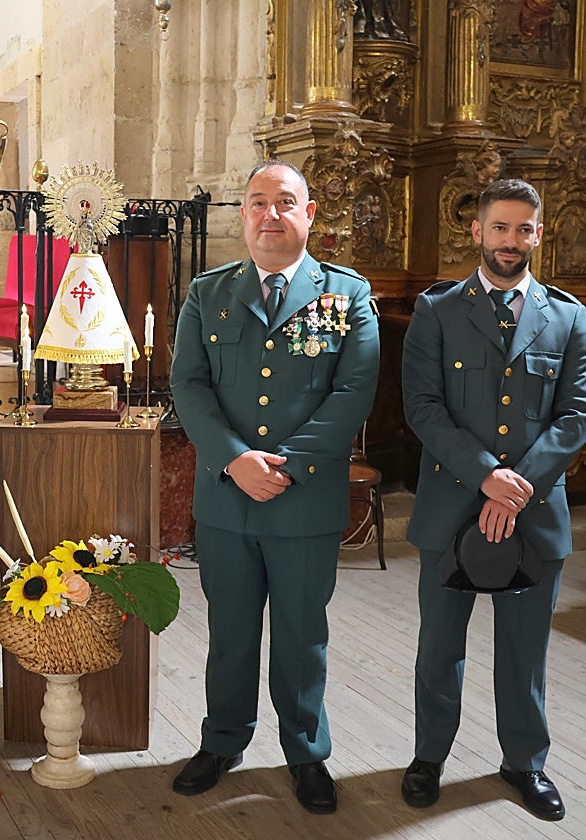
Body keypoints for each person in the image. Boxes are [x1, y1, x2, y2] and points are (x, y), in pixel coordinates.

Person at [169, 160, 380, 812]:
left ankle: (307, 752)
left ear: (308, 214)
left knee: (300, 636)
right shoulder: (209, 294)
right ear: (244, 214)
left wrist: (282, 464)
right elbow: (189, 386)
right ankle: (223, 739)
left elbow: (354, 393)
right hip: (227, 499)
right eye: (257, 202)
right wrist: (236, 460)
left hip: (305, 501)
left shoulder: (345, 296)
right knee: (230, 633)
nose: (269, 214)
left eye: (284, 202)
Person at [399, 178, 586, 822]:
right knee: (440, 648)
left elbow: (576, 415)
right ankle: (428, 758)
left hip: (534, 514)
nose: (512, 241)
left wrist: (516, 489)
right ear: (477, 231)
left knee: (523, 649)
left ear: (540, 235)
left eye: (525, 229)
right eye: (500, 228)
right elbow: (423, 408)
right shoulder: (437, 311)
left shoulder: (567, 315)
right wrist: (487, 476)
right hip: (452, 504)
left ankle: (525, 764)